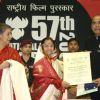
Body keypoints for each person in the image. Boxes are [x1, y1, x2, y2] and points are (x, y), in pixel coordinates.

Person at [0, 23, 23, 99]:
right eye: (8, 34)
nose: (11, 36)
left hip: (8, 91)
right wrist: (1, 67)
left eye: (11, 34)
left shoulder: (12, 52)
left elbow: (21, 69)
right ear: (0, 35)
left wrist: (12, 64)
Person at [85, 15, 100, 100]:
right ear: (91, 26)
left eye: (99, 23)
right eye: (94, 23)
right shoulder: (88, 41)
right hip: (92, 82)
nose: (97, 25)